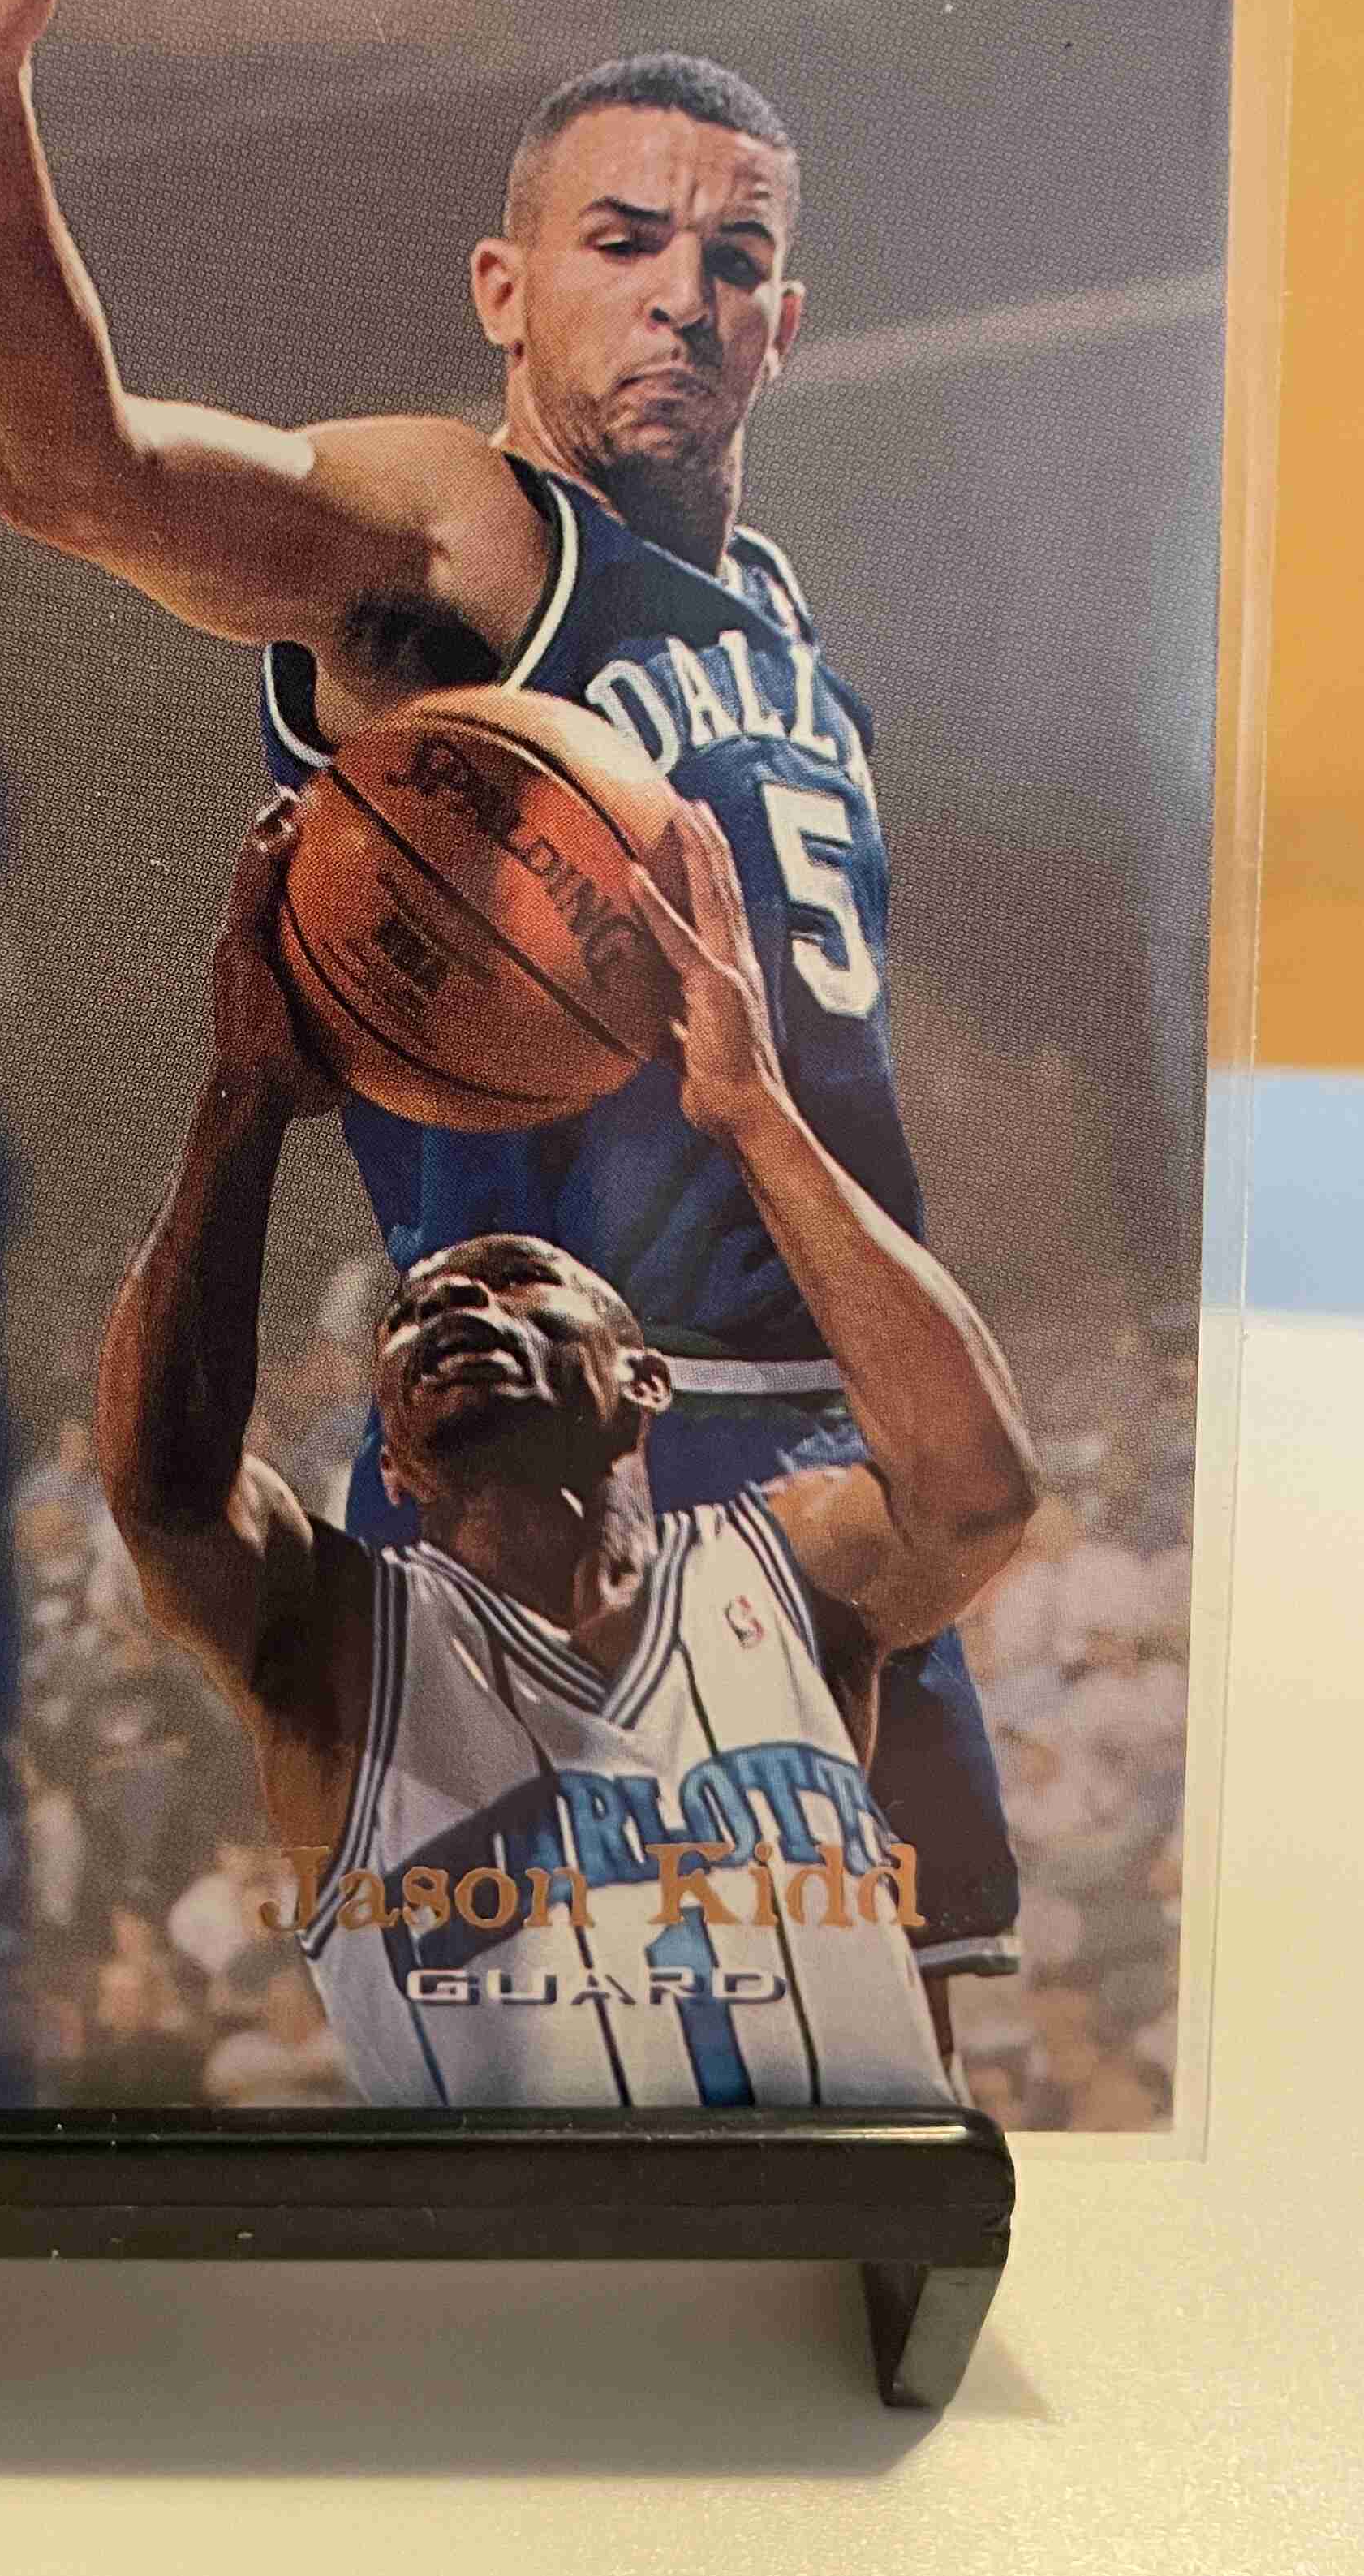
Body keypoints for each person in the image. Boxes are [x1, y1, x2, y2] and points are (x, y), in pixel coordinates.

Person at [0, 0, 1016, 1988]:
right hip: (547, 1470)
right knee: (517, 2080)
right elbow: (83, 475)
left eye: (736, 258)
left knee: (898, 2075)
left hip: (841, 1471)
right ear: (504, 290)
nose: (685, 290)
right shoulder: (463, 527)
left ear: (786, 326)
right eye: (623, 241)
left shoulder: (790, 624)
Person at [88, 792, 1036, 2106]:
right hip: (524, 2238)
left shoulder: (788, 1575)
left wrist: (756, 1113)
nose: (453, 1310)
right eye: (413, 1317)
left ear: (647, 1381)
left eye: (518, 1284)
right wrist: (243, 1099)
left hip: (828, 2220)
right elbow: (165, 1492)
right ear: (394, 1465)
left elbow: (979, 1490)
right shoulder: (344, 1646)